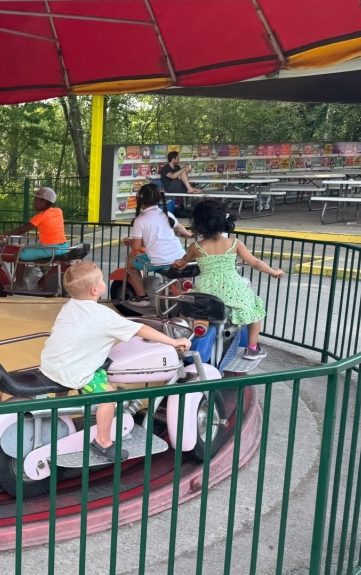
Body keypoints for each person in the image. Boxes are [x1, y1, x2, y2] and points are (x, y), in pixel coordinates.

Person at [39, 261, 191, 461]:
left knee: (73, 373)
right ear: (95, 289)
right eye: (102, 280)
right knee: (109, 396)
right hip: (74, 371)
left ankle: (60, 409)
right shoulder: (104, 315)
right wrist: (173, 341)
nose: (104, 282)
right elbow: (140, 330)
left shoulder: (71, 305)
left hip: (51, 364)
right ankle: (103, 441)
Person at [173, 200, 284, 359]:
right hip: (233, 291)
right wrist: (273, 271)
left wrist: (178, 264)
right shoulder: (234, 243)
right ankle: (252, 348)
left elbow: (182, 263)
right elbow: (255, 262)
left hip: (206, 293)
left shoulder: (195, 248)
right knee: (256, 308)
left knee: (189, 309)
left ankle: (183, 334)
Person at [125, 183, 191, 295]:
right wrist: (188, 234)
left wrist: (129, 241)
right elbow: (179, 227)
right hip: (180, 257)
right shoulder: (168, 214)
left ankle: (142, 297)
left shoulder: (140, 221)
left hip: (159, 261)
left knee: (130, 261)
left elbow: (136, 247)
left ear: (140, 198)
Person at [0, 187, 67, 247]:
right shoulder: (59, 211)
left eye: (36, 201)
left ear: (44, 202)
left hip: (49, 248)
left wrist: (6, 234)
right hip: (63, 246)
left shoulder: (40, 216)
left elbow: (22, 229)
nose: (33, 203)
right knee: (28, 248)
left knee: (19, 253)